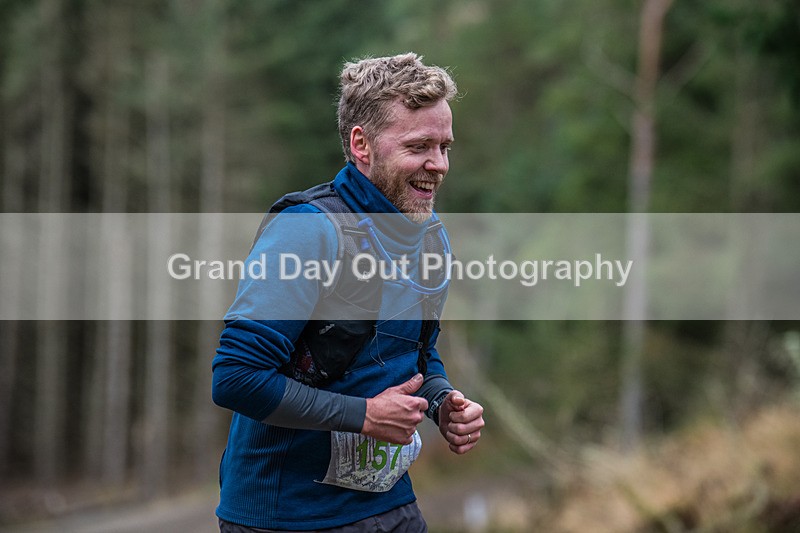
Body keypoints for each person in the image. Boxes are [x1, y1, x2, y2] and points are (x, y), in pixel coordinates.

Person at [212, 53, 485, 532]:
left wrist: (443, 403)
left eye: (445, 147)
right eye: (419, 146)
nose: (438, 165)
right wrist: (364, 416)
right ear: (362, 144)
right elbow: (236, 377)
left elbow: (415, 354)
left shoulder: (429, 237)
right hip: (287, 518)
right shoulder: (307, 231)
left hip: (390, 506)